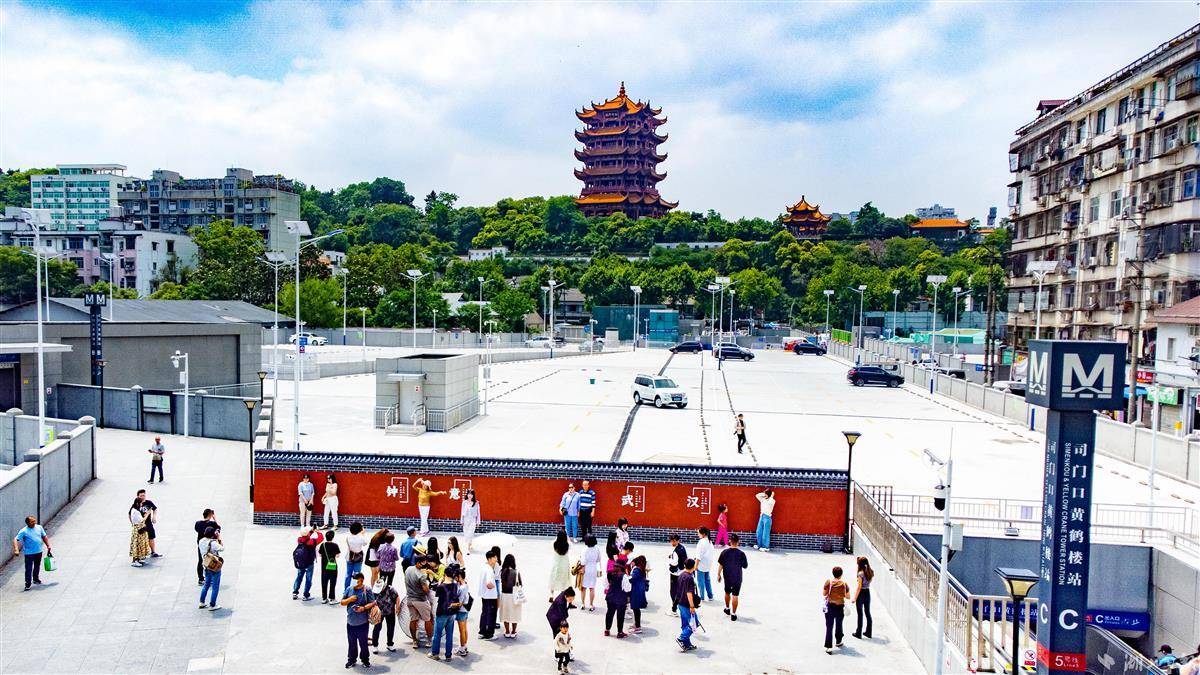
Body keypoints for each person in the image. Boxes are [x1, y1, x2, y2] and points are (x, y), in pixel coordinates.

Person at [341, 572, 377, 668]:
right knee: (351, 643)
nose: (354, 582)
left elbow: (373, 602)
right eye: (353, 579)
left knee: (363, 643)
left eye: (356, 580)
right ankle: (351, 659)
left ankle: (365, 660)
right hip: (350, 622)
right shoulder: (349, 589)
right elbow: (342, 602)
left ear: (361, 580)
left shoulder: (367, 589)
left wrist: (363, 608)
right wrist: (349, 599)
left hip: (362, 623)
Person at [430, 565, 462, 661]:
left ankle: (435, 653)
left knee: (437, 634)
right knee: (449, 635)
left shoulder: (441, 586)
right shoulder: (455, 585)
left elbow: (437, 595)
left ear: (445, 574)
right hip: (451, 612)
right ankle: (448, 655)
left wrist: (440, 582)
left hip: (442, 612)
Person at [12, 516, 50, 590]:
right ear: (27, 523)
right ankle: (28, 583)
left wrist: (48, 545)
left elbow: (44, 536)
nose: (34, 523)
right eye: (32, 521)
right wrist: (16, 549)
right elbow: (15, 539)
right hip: (29, 553)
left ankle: (35, 578)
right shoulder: (24, 531)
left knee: (37, 566)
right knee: (28, 568)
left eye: (34, 521)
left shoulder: (39, 527)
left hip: (39, 551)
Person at [405, 555, 434, 649]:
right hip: (420, 600)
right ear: (418, 563)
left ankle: (414, 641)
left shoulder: (408, 569)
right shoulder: (422, 575)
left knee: (413, 620)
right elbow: (426, 589)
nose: (425, 564)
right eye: (423, 562)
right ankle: (429, 641)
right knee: (428, 619)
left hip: (410, 599)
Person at [716, 533, 748, 621]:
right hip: (737, 578)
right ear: (738, 542)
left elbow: (721, 565)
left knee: (727, 593)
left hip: (727, 577)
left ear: (730, 541)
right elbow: (745, 566)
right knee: (735, 595)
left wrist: (718, 574)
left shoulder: (724, 552)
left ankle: (727, 609)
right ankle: (733, 614)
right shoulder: (741, 554)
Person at [822, 565, 850, 654]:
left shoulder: (828, 582)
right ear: (841, 574)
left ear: (833, 573)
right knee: (839, 624)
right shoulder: (844, 584)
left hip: (830, 607)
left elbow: (824, 593)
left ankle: (828, 647)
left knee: (829, 626)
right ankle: (838, 641)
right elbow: (848, 596)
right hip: (840, 607)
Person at [370, 578, 401, 654]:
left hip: (390, 611)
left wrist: (397, 607)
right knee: (377, 628)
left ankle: (390, 644)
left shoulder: (390, 589)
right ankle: (375, 645)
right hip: (379, 612)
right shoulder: (374, 590)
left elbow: (397, 597)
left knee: (390, 628)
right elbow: (372, 601)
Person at [293, 525, 323, 601]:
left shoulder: (299, 539)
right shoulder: (311, 541)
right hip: (309, 562)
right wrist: (318, 532)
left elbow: (306, 536)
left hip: (301, 562)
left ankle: (295, 592)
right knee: (308, 579)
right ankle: (306, 595)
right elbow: (321, 538)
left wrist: (311, 531)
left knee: (299, 577)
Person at [675, 558, 699, 652]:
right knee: (695, 623)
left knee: (685, 625)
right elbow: (689, 593)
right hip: (686, 604)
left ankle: (687, 644)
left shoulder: (681, 575)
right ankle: (681, 638)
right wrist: (692, 606)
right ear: (693, 567)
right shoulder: (689, 578)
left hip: (680, 603)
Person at [131, 489, 163, 558]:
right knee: (141, 540)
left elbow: (155, 509)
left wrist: (154, 517)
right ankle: (141, 555)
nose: (143, 497)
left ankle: (153, 552)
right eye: (141, 496)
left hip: (148, 523)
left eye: (144, 495)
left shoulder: (149, 502)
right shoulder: (135, 505)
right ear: (138, 496)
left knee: (151, 537)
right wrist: (132, 523)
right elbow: (129, 514)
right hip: (141, 525)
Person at [477, 549, 501, 640]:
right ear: (490, 559)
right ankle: (489, 634)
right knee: (491, 615)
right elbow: (488, 584)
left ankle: (482, 632)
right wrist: (494, 586)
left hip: (484, 595)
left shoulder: (484, 567)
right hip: (490, 596)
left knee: (484, 613)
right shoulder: (490, 570)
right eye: (495, 557)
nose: (496, 559)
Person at [603, 561, 630, 638]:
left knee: (609, 613)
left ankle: (607, 630)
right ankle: (620, 632)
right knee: (620, 615)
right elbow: (627, 589)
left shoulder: (609, 573)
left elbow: (606, 585)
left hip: (610, 596)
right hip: (620, 598)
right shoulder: (624, 576)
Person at [198, 526, 223, 610]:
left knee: (206, 585)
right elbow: (222, 548)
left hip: (206, 564)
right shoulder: (213, 543)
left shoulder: (201, 541)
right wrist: (218, 538)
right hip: (214, 566)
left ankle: (202, 602)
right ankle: (212, 605)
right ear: (213, 534)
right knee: (215, 586)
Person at [499, 553, 523, 638]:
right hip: (514, 596)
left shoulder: (502, 572)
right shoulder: (516, 572)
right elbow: (521, 584)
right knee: (514, 614)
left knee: (505, 614)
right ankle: (513, 631)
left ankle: (507, 631)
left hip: (504, 596)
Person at [194, 508, 218, 586]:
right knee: (212, 561)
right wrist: (214, 518)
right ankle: (211, 578)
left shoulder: (198, 523)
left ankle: (200, 579)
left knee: (200, 561)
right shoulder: (212, 524)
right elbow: (218, 528)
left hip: (201, 545)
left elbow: (197, 529)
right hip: (210, 545)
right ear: (210, 515)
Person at [343, 522, 367, 597]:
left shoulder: (348, 537)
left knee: (348, 574)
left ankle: (346, 590)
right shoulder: (361, 538)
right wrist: (362, 534)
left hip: (349, 556)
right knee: (357, 574)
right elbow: (365, 543)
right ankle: (355, 590)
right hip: (358, 557)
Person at [452, 565, 472, 657]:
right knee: (464, 629)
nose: (455, 578)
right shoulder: (465, 584)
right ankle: (464, 646)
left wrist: (451, 605)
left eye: (456, 577)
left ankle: (462, 649)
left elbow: (459, 603)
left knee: (462, 631)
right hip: (465, 610)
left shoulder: (462, 588)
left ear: (459, 576)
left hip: (461, 611)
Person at [852, 556, 874, 639]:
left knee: (860, 613)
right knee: (867, 612)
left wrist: (854, 598)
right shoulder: (870, 572)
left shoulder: (860, 574)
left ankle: (858, 633)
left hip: (861, 594)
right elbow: (869, 582)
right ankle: (869, 632)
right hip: (867, 592)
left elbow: (859, 587)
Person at [667, 533, 688, 615]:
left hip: (675, 574)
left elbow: (674, 563)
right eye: (671, 541)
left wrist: (670, 560)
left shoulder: (676, 551)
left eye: (674, 541)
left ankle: (674, 609)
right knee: (680, 591)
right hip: (682, 572)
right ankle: (680, 607)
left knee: (673, 592)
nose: (672, 543)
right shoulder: (682, 547)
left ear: (678, 540)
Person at [319, 528, 341, 604]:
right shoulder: (335, 545)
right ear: (333, 537)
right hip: (332, 566)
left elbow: (320, 554)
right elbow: (337, 555)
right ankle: (332, 598)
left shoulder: (323, 545)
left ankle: (324, 598)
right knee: (332, 581)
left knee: (324, 581)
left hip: (324, 566)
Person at [580, 534, 601, 611]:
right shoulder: (597, 549)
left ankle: (583, 604)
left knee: (583, 588)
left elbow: (583, 561)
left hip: (586, 569)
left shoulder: (584, 550)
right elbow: (598, 559)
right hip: (593, 569)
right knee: (592, 588)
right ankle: (591, 604)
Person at [549, 531, 572, 602]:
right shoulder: (568, 544)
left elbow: (555, 540)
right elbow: (570, 542)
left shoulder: (554, 543)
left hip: (556, 563)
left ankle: (551, 594)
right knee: (564, 580)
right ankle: (562, 595)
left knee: (553, 578)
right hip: (564, 564)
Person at [694, 527, 715, 602]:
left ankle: (702, 597)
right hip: (708, 564)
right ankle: (710, 596)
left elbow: (698, 556)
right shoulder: (710, 541)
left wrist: (695, 566)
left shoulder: (701, 542)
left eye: (698, 533)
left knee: (701, 582)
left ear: (703, 534)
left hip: (701, 565)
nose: (698, 535)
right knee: (707, 580)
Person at [629, 555, 648, 634]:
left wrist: (627, 577)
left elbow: (632, 579)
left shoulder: (636, 570)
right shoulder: (642, 569)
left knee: (635, 609)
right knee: (636, 609)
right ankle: (636, 624)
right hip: (639, 591)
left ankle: (638, 627)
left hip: (635, 592)